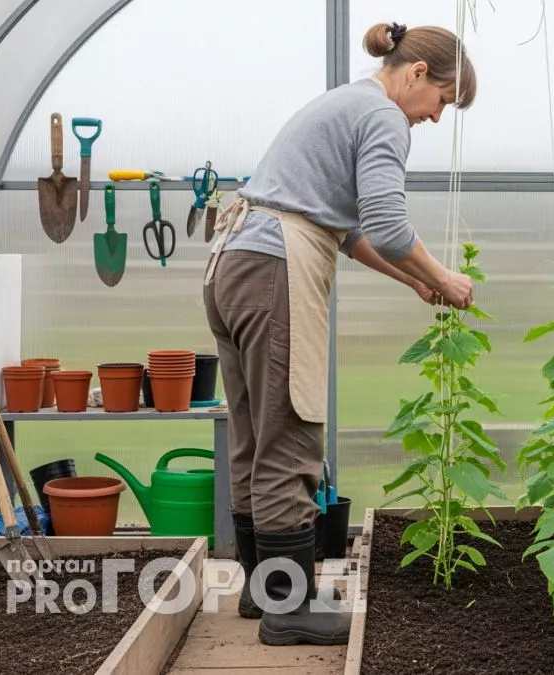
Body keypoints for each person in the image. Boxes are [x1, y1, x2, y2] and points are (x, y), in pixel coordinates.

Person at [202, 21, 477, 646]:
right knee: (291, 436)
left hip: (234, 262)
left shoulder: (343, 101)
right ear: (415, 75)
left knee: (253, 437)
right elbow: (384, 221)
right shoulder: (382, 117)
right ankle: (289, 610)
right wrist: (444, 277)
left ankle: (264, 589)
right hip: (274, 269)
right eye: (442, 100)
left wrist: (412, 282)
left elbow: (349, 233)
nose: (436, 118)